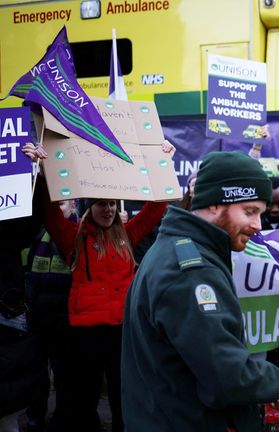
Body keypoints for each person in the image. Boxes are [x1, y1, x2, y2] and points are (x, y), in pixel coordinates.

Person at [121, 151, 279, 432]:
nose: (258, 225)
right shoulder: (191, 272)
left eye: (261, 214)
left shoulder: (179, 249)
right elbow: (225, 374)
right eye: (250, 211)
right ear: (215, 204)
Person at [43, 142, 175, 432]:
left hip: (123, 330)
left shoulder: (128, 235)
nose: (109, 209)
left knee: (123, 397)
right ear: (89, 207)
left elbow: (157, 208)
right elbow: (50, 212)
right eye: (102, 203)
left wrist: (161, 163)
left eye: (113, 203)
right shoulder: (73, 238)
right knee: (84, 401)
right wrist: (44, 171)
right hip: (85, 334)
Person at [0, 143, 49, 432]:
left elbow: (27, 227)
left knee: (7, 416)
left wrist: (38, 175)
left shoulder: (6, 226)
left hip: (5, 312)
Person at [23, 199, 78, 432]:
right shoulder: (40, 231)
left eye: (63, 204)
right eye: (55, 204)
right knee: (36, 371)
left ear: (73, 205)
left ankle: (62, 419)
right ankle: (35, 416)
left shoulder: (80, 231)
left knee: (64, 372)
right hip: (37, 312)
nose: (58, 209)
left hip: (65, 315)